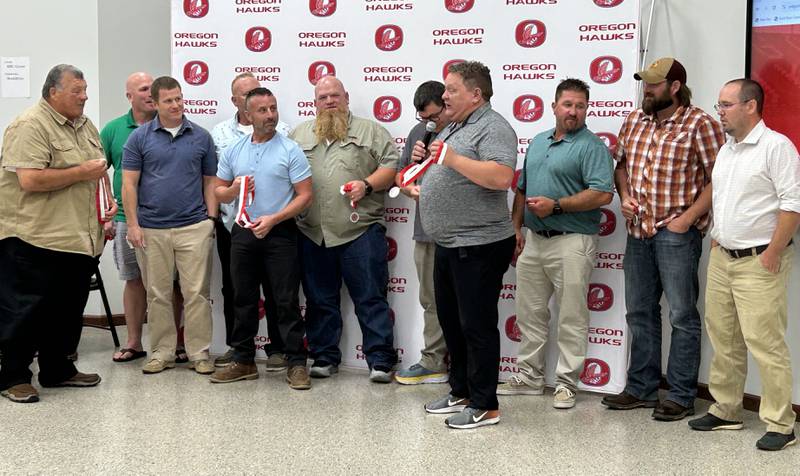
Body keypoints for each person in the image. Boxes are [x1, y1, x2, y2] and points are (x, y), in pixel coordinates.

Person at [601, 58, 725, 421]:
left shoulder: (701, 123)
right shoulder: (634, 119)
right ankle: (640, 388)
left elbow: (720, 178)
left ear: (674, 87)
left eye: (654, 84)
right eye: (645, 83)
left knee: (683, 316)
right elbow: (620, 165)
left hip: (676, 235)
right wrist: (623, 197)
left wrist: (686, 220)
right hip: (637, 232)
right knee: (639, 312)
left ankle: (682, 395)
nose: (647, 89)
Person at [688, 79, 800, 451]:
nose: (719, 111)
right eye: (719, 104)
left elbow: (791, 205)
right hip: (723, 258)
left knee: (765, 342)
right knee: (724, 338)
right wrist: (720, 235)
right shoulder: (727, 150)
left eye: (725, 105)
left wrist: (773, 251)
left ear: (750, 106)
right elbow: (724, 197)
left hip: (760, 261)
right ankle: (726, 409)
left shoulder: (776, 147)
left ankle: (781, 424)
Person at [497, 78, 614, 409]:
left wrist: (557, 205)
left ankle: (566, 383)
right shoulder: (537, 141)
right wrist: (515, 228)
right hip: (533, 240)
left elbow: (603, 193)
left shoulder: (592, 147)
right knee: (530, 313)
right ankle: (530, 377)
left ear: (587, 109)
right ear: (554, 107)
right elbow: (521, 189)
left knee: (571, 315)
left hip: (572, 241)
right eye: (568, 105)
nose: (573, 111)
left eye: (580, 105)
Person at [0, 64, 111, 403]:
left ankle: (58, 369)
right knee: (25, 310)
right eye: (76, 90)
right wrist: (81, 173)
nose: (85, 96)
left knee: (66, 310)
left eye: (85, 89)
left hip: (77, 237)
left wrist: (104, 205)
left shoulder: (85, 126)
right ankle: (13, 377)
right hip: (34, 238)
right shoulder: (30, 125)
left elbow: (98, 171)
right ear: (53, 93)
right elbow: (30, 180)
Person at [416, 61, 517, 429]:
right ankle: (460, 390)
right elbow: (451, 176)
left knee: (477, 326)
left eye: (452, 89)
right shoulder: (457, 126)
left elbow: (502, 177)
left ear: (476, 94)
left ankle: (486, 405)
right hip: (449, 242)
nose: (444, 95)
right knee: (452, 324)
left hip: (480, 243)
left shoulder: (494, 126)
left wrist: (453, 158)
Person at [289, 76, 398, 383]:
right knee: (319, 300)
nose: (329, 101)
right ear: (315, 103)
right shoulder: (299, 134)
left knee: (371, 298)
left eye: (334, 95)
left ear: (346, 97)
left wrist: (366, 185)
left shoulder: (371, 130)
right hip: (313, 232)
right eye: (322, 97)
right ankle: (324, 357)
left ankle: (380, 361)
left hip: (360, 231)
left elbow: (391, 167)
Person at [209, 87, 313, 389]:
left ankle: (296, 362)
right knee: (242, 297)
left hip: (279, 232)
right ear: (247, 114)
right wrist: (232, 191)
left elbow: (305, 195)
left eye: (273, 108)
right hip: (242, 231)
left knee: (285, 300)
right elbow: (219, 190)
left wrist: (275, 219)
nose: (270, 115)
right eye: (263, 110)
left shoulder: (290, 149)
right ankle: (243, 360)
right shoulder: (234, 150)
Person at [122, 76, 218, 375]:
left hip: (194, 227)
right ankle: (161, 353)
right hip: (151, 229)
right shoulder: (139, 138)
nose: (176, 105)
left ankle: (198, 353)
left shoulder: (201, 137)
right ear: (155, 103)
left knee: (196, 294)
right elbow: (129, 184)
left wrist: (210, 221)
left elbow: (210, 181)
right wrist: (134, 226)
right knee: (158, 294)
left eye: (179, 98)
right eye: (168, 100)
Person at [101, 72, 186, 364]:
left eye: (153, 88)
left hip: (166, 220)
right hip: (128, 219)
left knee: (172, 283)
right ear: (129, 96)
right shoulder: (113, 130)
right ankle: (134, 342)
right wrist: (106, 212)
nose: (150, 93)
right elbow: (98, 171)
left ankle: (174, 344)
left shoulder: (171, 127)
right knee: (134, 279)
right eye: (143, 89)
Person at [394, 81, 450, 386]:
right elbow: (401, 178)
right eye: (423, 118)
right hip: (426, 231)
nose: (430, 123)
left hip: (461, 233)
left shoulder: (463, 131)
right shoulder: (419, 134)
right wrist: (411, 179)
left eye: (434, 116)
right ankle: (433, 360)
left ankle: (469, 364)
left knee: (463, 303)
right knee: (431, 300)